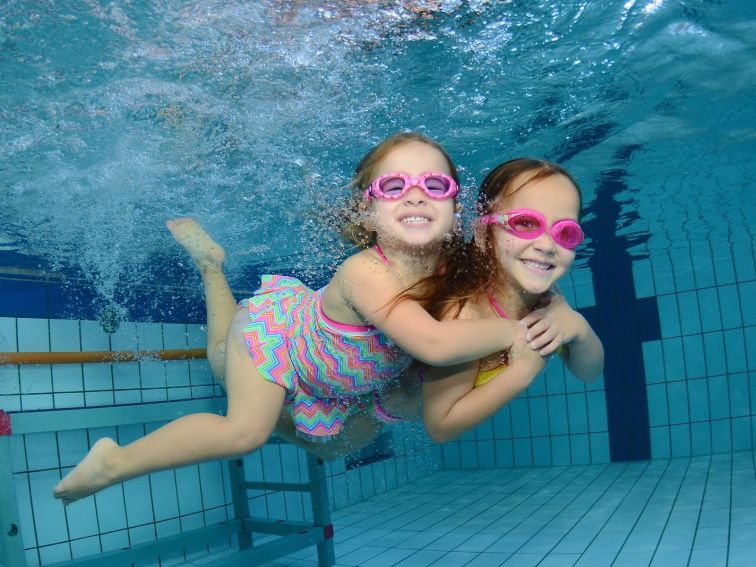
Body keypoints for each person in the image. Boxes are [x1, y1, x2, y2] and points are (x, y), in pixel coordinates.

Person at [53, 132, 524, 504]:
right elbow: (436, 345)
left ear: (456, 207)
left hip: (341, 381)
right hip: (279, 343)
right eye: (395, 186)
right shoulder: (366, 271)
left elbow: (515, 279)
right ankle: (114, 461)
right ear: (367, 207)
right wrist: (516, 331)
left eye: (434, 186)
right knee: (241, 424)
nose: (417, 197)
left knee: (339, 445)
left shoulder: (454, 271)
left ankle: (214, 267)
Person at [417, 157, 605, 442]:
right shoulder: (466, 316)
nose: (546, 245)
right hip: (373, 402)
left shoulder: (546, 298)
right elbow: (439, 426)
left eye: (565, 232)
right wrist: (523, 372)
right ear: (483, 233)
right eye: (526, 223)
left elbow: (589, 372)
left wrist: (578, 328)